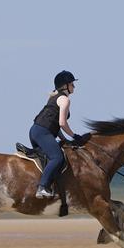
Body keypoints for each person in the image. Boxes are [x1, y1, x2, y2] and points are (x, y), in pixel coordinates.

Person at [29, 70, 83, 198]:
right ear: (65, 86)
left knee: (49, 158)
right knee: (57, 158)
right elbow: (62, 123)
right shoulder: (64, 99)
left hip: (36, 131)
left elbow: (55, 125)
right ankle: (42, 187)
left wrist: (64, 139)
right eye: (72, 84)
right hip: (43, 132)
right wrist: (74, 136)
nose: (74, 86)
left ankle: (52, 185)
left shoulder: (54, 98)